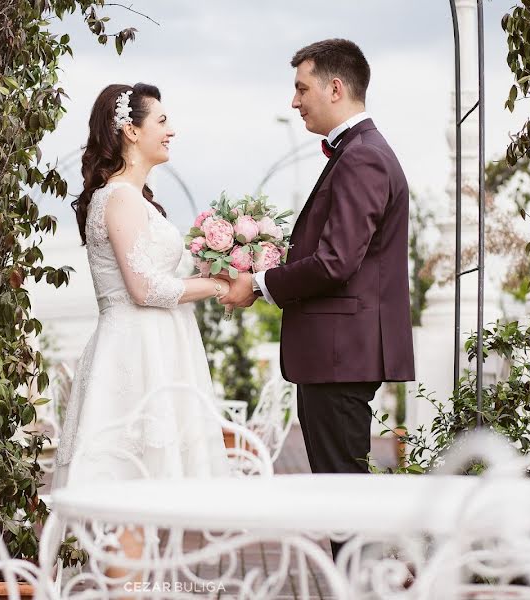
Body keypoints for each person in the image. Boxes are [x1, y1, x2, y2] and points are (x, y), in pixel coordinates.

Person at [217, 39, 416, 557]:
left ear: (335, 87)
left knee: (342, 497)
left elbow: (335, 262)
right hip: (339, 353)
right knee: (342, 493)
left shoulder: (363, 158)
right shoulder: (360, 153)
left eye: (302, 88)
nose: (295, 101)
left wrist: (261, 284)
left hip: (339, 355)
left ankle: (360, 589)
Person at [53, 83, 230, 491]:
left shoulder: (133, 198)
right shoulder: (119, 198)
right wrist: (217, 286)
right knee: (128, 491)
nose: (172, 131)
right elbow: (144, 289)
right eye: (162, 121)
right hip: (134, 350)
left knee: (150, 494)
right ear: (131, 131)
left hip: (156, 345)